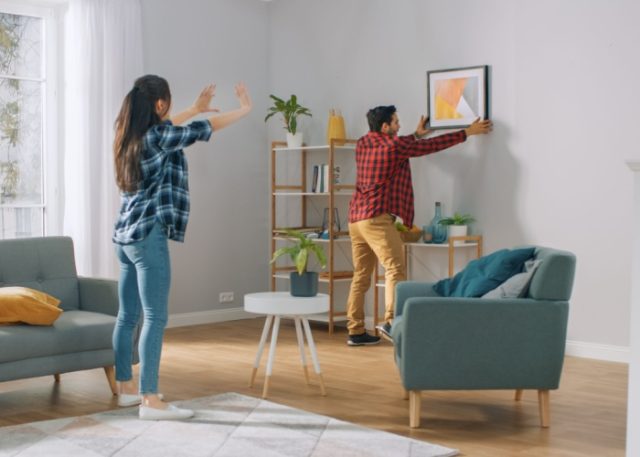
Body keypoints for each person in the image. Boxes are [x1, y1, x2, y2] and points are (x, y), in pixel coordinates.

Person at [111, 75, 252, 420]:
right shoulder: (159, 137)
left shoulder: (129, 137)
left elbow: (172, 126)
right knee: (156, 317)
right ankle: (150, 400)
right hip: (148, 236)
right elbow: (206, 129)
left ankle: (125, 387)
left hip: (125, 237)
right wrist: (244, 110)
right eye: (170, 103)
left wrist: (192, 107)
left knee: (128, 315)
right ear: (160, 104)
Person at [345, 106, 492, 346]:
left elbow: (402, 143)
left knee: (361, 275)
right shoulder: (395, 147)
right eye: (396, 122)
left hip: (356, 219)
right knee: (395, 269)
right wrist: (467, 132)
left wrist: (416, 134)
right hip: (376, 218)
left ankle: (355, 330)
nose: (399, 125)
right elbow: (430, 147)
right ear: (385, 127)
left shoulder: (363, 143)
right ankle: (392, 324)